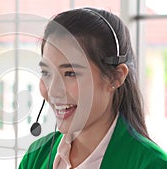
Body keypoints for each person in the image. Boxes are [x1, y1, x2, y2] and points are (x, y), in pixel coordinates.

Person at [19, 7, 167, 169]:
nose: (53, 90)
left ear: (115, 77)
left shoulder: (152, 164)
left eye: (70, 73)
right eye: (46, 73)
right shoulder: (36, 156)